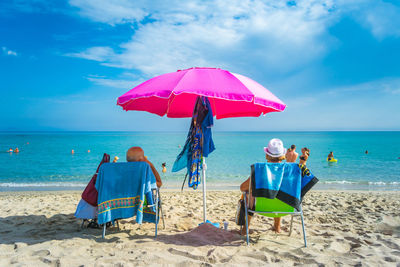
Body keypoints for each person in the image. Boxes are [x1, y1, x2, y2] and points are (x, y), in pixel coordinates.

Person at [240, 138, 286, 234]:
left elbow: (242, 187)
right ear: (282, 155)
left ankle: (245, 229)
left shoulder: (260, 170)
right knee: (279, 192)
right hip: (285, 208)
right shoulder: (289, 171)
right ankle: (277, 227)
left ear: (267, 155)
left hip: (260, 207)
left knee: (248, 193)